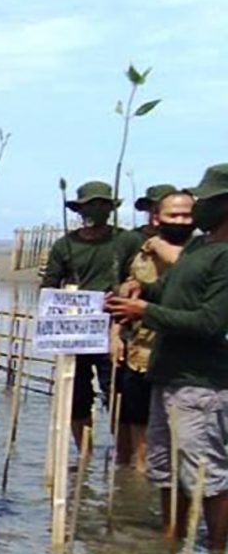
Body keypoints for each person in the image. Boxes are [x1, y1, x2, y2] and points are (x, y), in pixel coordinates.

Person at [106, 164, 228, 548]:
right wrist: (142, 292)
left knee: (206, 472)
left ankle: (214, 552)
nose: (196, 207)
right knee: (166, 468)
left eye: (203, 201)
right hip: (168, 374)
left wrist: (145, 313)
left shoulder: (225, 256)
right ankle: (170, 539)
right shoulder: (198, 246)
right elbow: (175, 294)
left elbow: (210, 321)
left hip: (202, 382)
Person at [41, 181, 144, 454]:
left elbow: (140, 278)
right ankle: (84, 455)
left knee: (117, 395)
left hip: (115, 330)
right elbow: (49, 287)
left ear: (111, 208)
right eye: (91, 205)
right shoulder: (66, 245)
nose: (96, 210)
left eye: (102, 204)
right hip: (76, 331)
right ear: (81, 209)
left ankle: (123, 455)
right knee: (76, 397)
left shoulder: (127, 240)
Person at [112, 189, 193, 468]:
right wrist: (116, 334)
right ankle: (134, 493)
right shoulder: (140, 251)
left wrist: (158, 245)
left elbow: (188, 271)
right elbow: (131, 289)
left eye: (187, 215)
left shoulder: (202, 250)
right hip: (139, 354)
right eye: (174, 215)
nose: (181, 221)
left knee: (180, 444)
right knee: (135, 432)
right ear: (157, 217)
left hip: (182, 363)